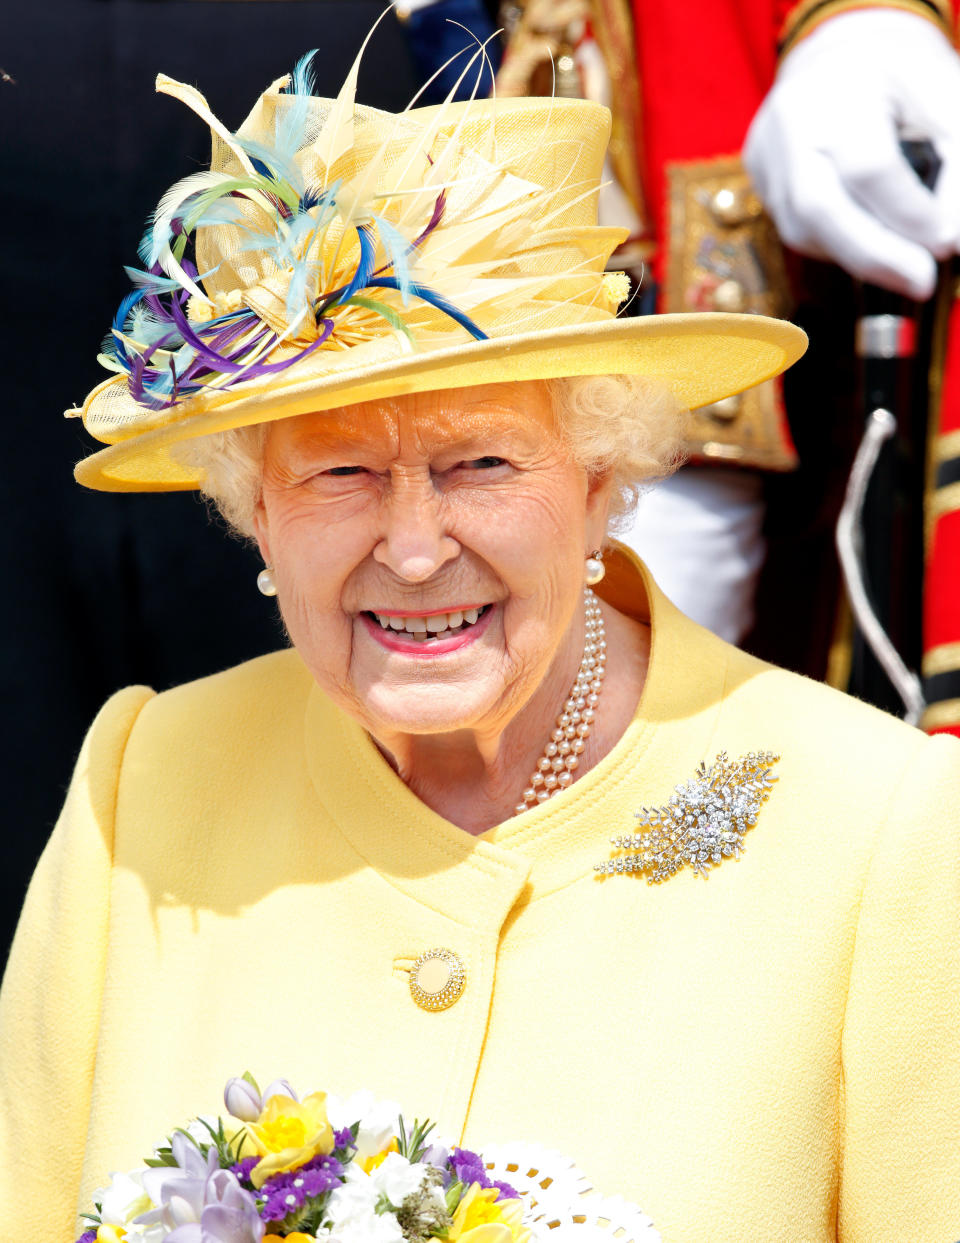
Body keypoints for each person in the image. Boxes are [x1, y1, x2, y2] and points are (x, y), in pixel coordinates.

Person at [1, 41, 959, 1243]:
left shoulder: (883, 828)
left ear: (603, 475)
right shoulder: (141, 787)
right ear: (253, 508)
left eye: (481, 463)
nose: (412, 549)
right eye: (338, 470)